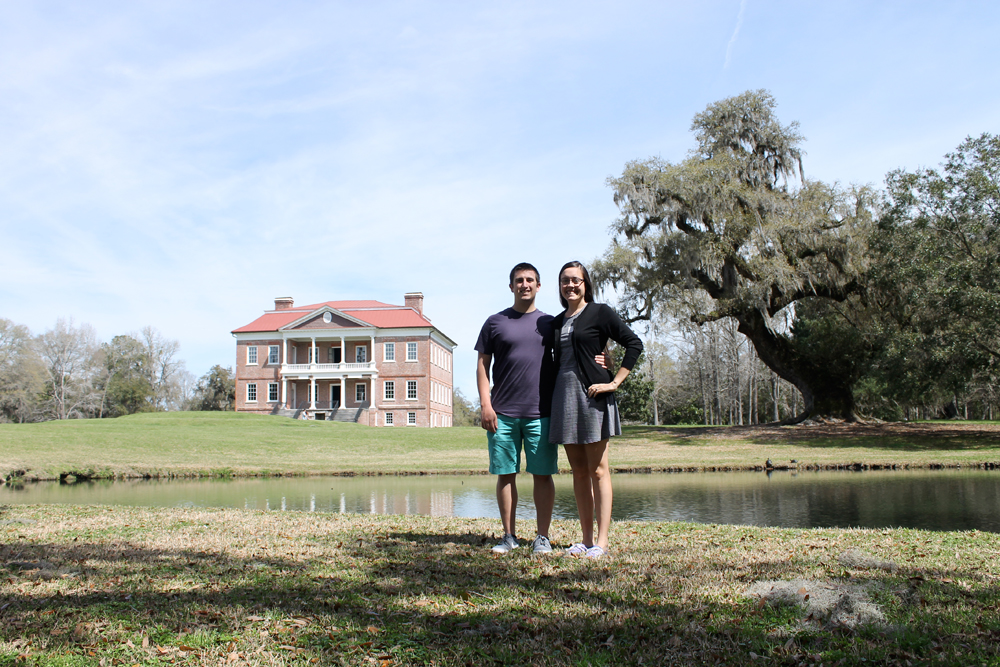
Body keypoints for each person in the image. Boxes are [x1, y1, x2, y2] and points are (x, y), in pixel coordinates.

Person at [548, 260, 643, 559]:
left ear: (586, 283)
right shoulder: (556, 322)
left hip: (593, 397)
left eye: (576, 280)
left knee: (598, 471)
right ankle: (585, 540)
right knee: (578, 472)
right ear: (560, 286)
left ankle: (602, 542)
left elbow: (634, 343)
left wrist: (614, 381)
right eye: (565, 280)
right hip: (564, 398)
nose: (570, 285)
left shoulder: (600, 312)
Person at [475, 263, 559, 554]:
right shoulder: (495, 322)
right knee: (505, 474)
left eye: (530, 280)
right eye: (519, 280)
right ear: (511, 286)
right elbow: (483, 365)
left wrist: (604, 360)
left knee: (543, 475)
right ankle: (508, 536)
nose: (525, 284)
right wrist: (486, 405)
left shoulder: (550, 323)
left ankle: (542, 537)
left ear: (538, 285)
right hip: (502, 414)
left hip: (541, 413)